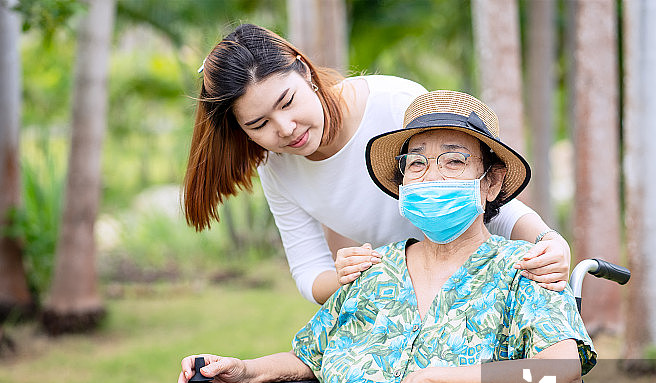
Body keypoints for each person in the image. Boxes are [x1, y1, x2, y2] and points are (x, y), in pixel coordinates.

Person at [163, 90, 595, 383]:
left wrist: (430, 382)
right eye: (417, 164)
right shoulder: (372, 269)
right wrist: (247, 372)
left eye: (453, 162)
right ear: (402, 182)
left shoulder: (524, 270)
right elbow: (314, 358)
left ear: (491, 182)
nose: (432, 177)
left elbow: (562, 380)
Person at [183, 23, 570, 305]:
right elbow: (308, 271)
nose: (285, 129)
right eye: (258, 124)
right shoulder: (278, 169)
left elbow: (482, 193)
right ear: (241, 130)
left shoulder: (393, 104)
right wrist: (343, 275)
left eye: (287, 102)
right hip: (407, 298)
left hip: (484, 279)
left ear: (304, 71)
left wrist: (548, 241)